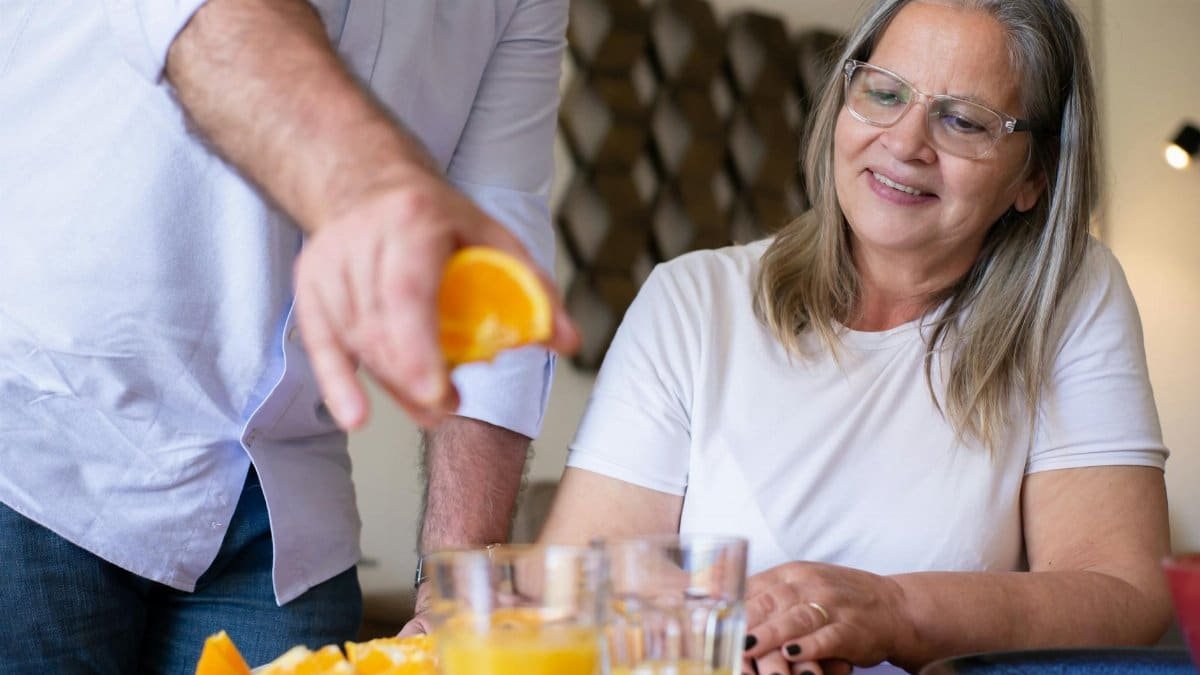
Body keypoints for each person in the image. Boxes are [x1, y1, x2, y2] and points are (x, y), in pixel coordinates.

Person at [538, 1, 1172, 674]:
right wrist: (748, 644)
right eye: (884, 92)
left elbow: (1123, 591)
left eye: (961, 119)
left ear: (1034, 175)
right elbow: (575, 592)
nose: (904, 141)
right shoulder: (691, 302)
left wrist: (892, 608)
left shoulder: (1070, 294)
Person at [0, 0, 575, 671]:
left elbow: (497, 261)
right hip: (39, 446)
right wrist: (370, 184)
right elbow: (206, 17)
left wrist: (458, 592)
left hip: (285, 512)